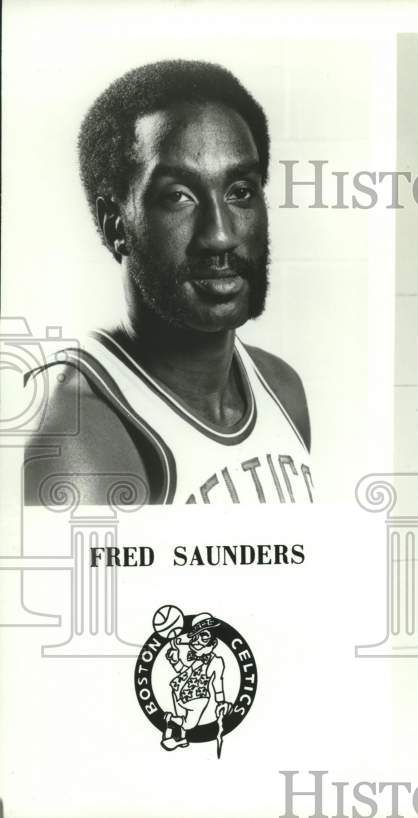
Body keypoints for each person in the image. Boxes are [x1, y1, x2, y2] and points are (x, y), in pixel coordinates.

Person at [23, 60, 313, 506]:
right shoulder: (83, 439)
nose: (220, 233)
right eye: (178, 196)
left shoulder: (282, 388)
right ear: (115, 224)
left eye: (240, 191)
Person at [162, 613, 230, 750]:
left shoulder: (216, 661)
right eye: (195, 637)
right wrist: (175, 660)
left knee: (187, 723)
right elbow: (184, 671)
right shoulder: (197, 659)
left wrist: (221, 701)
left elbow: (217, 683)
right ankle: (179, 735)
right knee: (187, 723)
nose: (197, 641)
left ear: (213, 642)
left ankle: (173, 726)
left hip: (188, 693)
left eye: (204, 637)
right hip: (188, 693)